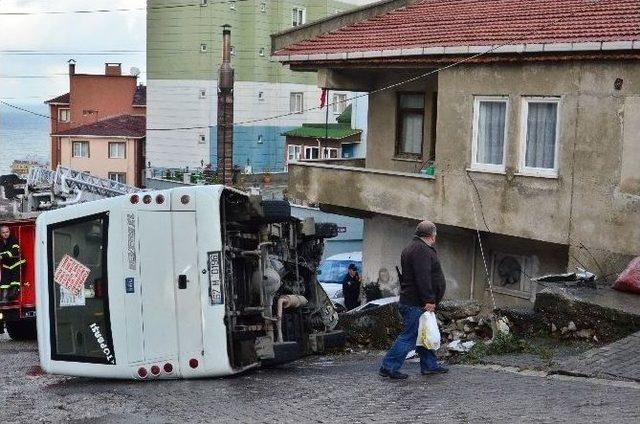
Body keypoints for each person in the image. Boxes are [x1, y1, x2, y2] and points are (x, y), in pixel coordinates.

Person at [379, 220, 447, 379]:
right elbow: (422, 277)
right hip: (416, 302)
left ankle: (430, 366)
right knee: (409, 337)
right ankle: (388, 367)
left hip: (413, 301)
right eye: (435, 236)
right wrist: (429, 299)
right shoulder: (421, 250)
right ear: (431, 236)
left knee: (424, 332)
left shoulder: (412, 247)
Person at [0, 225, 24, 303]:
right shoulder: (0, 243)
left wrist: (2, 255)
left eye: (7, 232)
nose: (5, 234)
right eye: (3, 232)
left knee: (15, 279)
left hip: (17, 263)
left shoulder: (14, 240)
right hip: (7, 265)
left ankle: (13, 294)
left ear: (9, 232)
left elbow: (14, 251)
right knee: (4, 280)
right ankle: (4, 297)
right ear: (0, 234)